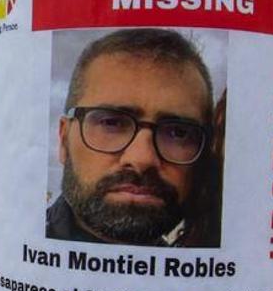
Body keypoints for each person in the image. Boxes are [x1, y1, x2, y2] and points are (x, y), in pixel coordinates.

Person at [46, 28, 218, 247]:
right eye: (111, 123)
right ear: (63, 140)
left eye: (178, 133)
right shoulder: (14, 250)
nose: (142, 159)